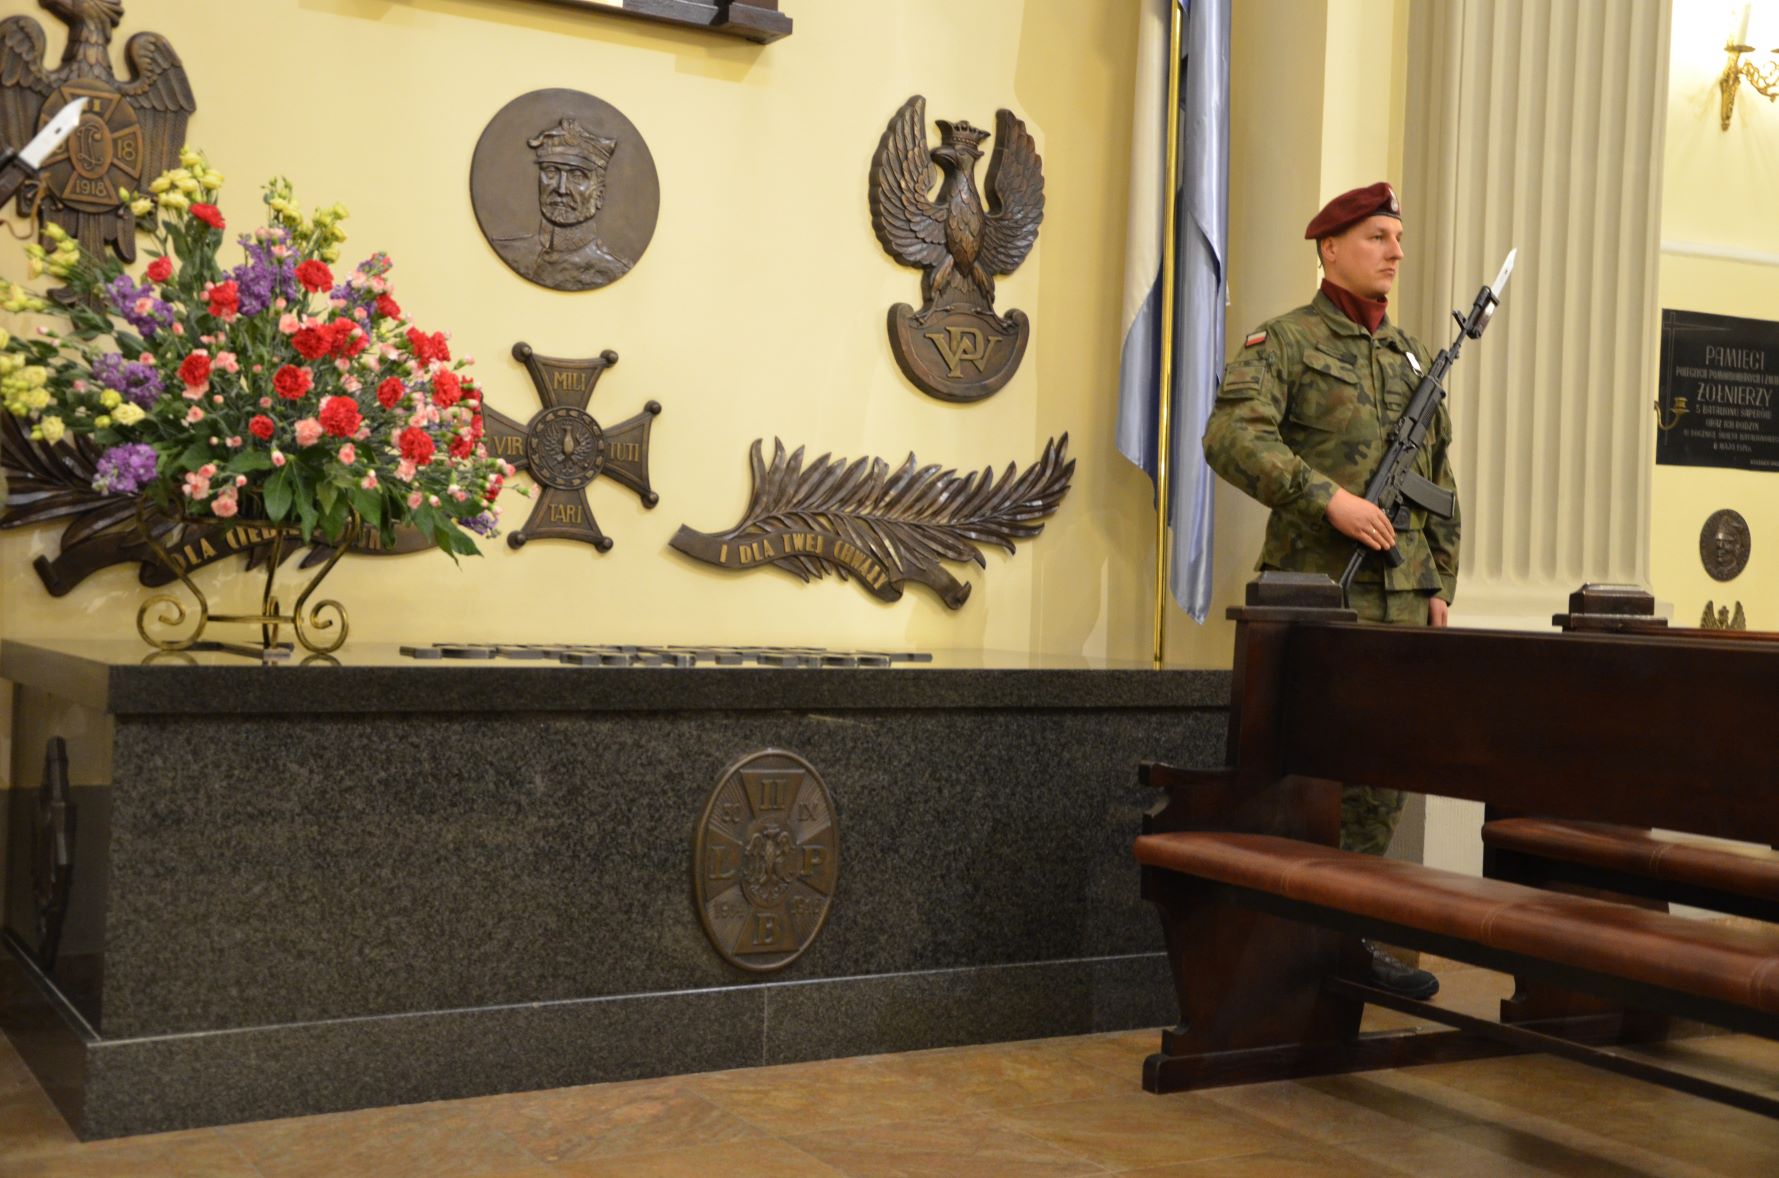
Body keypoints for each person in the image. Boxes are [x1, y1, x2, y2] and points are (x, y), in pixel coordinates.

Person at [1202, 181, 1460, 999]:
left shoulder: (1412, 356)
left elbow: (1439, 483)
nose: (1394, 251)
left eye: (1397, 237)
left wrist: (1438, 582)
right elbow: (1229, 437)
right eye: (1378, 236)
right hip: (1317, 601)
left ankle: (1346, 946)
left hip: (1400, 608)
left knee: (1379, 787)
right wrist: (1328, 500)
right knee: (1303, 781)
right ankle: (1279, 954)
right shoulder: (1282, 342)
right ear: (1330, 248)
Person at [492, 118, 634, 291]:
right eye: (551, 172)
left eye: (577, 176)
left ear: (600, 195)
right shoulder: (507, 252)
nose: (561, 189)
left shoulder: (613, 270)